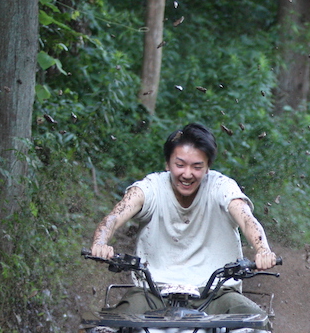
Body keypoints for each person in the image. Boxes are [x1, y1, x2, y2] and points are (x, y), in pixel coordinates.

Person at [89, 123, 277, 315]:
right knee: (115, 323)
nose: (187, 174)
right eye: (180, 165)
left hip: (216, 293)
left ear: (207, 167)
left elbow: (246, 218)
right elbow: (115, 216)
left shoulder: (222, 187)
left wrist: (263, 250)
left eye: (197, 167)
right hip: (153, 293)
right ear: (167, 164)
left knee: (253, 320)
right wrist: (100, 242)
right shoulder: (150, 188)